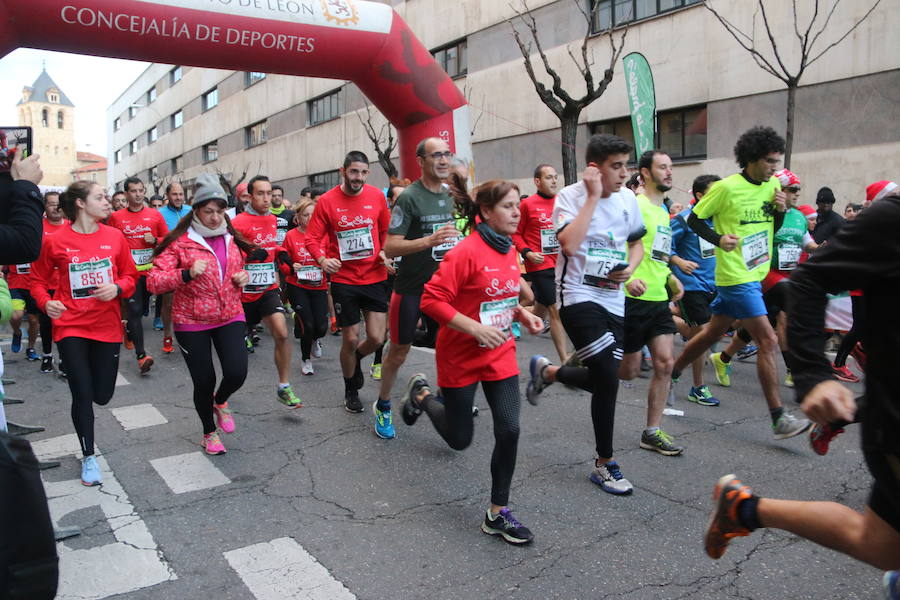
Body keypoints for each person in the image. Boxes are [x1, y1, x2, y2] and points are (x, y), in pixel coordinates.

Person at [704, 190, 900, 584]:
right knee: (752, 335)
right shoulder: (892, 219)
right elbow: (811, 278)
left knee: (881, 545)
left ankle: (745, 509)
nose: (789, 194)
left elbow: (809, 253)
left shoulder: (793, 217)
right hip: (895, 419)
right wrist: (814, 375)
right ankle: (719, 362)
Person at [402, 178, 543, 544]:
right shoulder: (465, 252)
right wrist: (475, 329)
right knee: (459, 439)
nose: (517, 212)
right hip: (461, 355)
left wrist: (520, 315)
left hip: (499, 355)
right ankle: (421, 395)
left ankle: (498, 513)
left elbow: (497, 299)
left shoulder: (507, 248)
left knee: (509, 429)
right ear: (485, 212)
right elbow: (432, 300)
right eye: (509, 207)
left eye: (518, 206)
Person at [667, 126, 811, 441]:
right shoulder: (726, 188)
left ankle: (672, 373)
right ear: (751, 159)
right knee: (768, 340)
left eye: (777, 161)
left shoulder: (773, 185)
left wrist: (780, 210)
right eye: (770, 161)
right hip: (735, 275)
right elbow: (694, 219)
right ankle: (778, 418)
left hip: (756, 272)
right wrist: (719, 238)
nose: (775, 168)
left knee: (710, 335)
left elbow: (771, 226)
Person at [524, 133, 646, 495]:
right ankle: (605, 463)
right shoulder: (571, 196)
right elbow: (569, 244)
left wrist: (631, 269)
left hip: (614, 298)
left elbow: (636, 243)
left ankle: (549, 371)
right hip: (577, 295)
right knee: (607, 374)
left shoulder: (628, 200)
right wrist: (593, 197)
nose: (625, 174)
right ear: (595, 169)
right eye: (616, 166)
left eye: (627, 165)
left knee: (609, 377)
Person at [31, 180, 139, 485]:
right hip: (70, 324)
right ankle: (89, 456)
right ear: (80, 203)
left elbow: (131, 276)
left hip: (105, 325)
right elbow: (37, 281)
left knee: (101, 395)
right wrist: (46, 302)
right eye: (100, 197)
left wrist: (116, 287)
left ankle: (91, 401)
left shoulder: (115, 237)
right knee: (80, 392)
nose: (107, 202)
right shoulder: (55, 240)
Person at [148, 174, 251, 455]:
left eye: (220, 211)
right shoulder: (181, 242)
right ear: (196, 211)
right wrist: (185, 273)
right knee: (203, 380)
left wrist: (243, 277)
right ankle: (209, 433)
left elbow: (239, 269)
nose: (215, 217)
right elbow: (154, 281)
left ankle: (221, 401)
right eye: (209, 212)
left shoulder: (231, 238)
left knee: (237, 372)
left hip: (229, 313)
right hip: (191, 320)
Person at [376, 138, 459, 439]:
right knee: (398, 351)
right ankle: (383, 405)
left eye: (446, 154)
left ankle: (444, 399)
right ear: (421, 161)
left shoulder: (453, 195)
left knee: (450, 350)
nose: (443, 160)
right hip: (411, 288)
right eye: (436, 155)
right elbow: (391, 246)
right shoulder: (409, 198)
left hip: (446, 289)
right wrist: (428, 241)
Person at [708, 169, 818, 389]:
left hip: (789, 274)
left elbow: (808, 244)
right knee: (787, 314)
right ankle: (793, 370)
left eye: (798, 190)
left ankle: (723, 358)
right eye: (792, 189)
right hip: (767, 273)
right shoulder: (764, 211)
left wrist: (825, 249)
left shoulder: (798, 216)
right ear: (779, 190)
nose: (796, 194)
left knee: (756, 324)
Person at [305, 151, 391, 415]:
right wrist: (322, 259)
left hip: (375, 275)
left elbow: (386, 231)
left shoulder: (376, 196)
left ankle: (356, 361)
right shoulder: (328, 201)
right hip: (344, 279)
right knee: (351, 338)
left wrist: (385, 251)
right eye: (354, 172)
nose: (359, 178)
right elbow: (311, 238)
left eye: (364, 172)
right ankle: (350, 388)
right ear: (343, 171)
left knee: (376, 338)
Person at [617, 150, 686, 456]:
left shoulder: (663, 212)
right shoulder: (636, 205)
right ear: (645, 172)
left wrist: (671, 276)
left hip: (658, 297)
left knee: (665, 363)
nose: (669, 172)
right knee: (628, 371)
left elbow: (657, 252)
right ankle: (575, 368)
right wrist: (626, 276)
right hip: (633, 297)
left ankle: (651, 431)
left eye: (671, 167)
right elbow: (617, 242)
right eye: (663, 167)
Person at [231, 175, 302, 408]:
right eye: (260, 193)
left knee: (282, 333)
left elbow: (271, 245)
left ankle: (284, 386)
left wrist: (282, 255)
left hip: (268, 288)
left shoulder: (273, 220)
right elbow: (229, 256)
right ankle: (223, 394)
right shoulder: (239, 222)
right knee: (234, 354)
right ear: (249, 196)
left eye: (269, 193)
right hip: (242, 293)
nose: (266, 198)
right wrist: (249, 255)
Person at [0, 150, 45, 432]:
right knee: (16, 316)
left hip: (32, 288)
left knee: (35, 320)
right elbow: (25, 243)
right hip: (14, 286)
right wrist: (25, 188)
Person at [107, 176, 168, 374]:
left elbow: (167, 239)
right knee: (135, 310)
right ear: (126, 194)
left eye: (141, 190)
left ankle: (129, 330)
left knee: (143, 310)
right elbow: (110, 242)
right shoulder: (116, 218)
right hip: (129, 274)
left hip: (151, 271)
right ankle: (142, 356)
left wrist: (156, 239)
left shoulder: (155, 216)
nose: (139, 194)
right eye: (134, 191)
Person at [670, 175, 721, 406]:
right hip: (690, 286)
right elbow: (662, 248)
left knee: (705, 335)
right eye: (714, 192)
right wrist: (679, 262)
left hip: (715, 284)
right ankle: (698, 388)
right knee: (703, 334)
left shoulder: (718, 219)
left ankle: (666, 321)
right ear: (700, 195)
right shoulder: (683, 220)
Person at [512, 164, 568, 362]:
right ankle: (565, 360)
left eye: (555, 177)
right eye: (548, 177)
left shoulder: (563, 202)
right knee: (556, 311)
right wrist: (527, 253)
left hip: (562, 264)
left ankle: (508, 313)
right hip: (540, 265)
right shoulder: (527, 205)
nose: (554, 181)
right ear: (537, 181)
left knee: (539, 312)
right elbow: (516, 234)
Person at [282, 198, 328, 375]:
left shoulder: (325, 235)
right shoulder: (291, 236)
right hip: (298, 286)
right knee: (307, 325)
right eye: (305, 215)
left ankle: (316, 339)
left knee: (321, 327)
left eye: (313, 214)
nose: (310, 218)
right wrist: (292, 267)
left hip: (319, 286)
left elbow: (333, 255)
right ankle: (306, 359)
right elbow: (283, 262)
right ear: (297, 218)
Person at [37, 191, 69, 373]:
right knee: (47, 323)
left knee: (65, 324)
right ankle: (47, 355)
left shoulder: (72, 226)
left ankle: (65, 358)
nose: (55, 207)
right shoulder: (38, 228)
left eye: (58, 204)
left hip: (67, 285)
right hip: (46, 285)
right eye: (50, 204)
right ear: (45, 207)